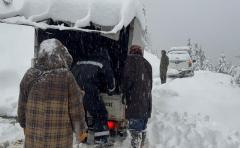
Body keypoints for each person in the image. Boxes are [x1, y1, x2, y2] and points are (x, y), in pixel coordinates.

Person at [17, 39, 88, 148]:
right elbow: (76, 108)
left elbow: (22, 105)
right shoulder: (67, 77)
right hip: (60, 139)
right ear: (61, 54)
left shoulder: (30, 75)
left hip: (34, 138)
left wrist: (23, 124)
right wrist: (80, 131)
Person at [71, 48, 115, 144]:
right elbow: (110, 78)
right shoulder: (103, 62)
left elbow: (71, 74)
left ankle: (82, 139)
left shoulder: (80, 61)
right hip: (89, 91)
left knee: (82, 116)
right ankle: (101, 139)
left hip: (75, 91)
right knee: (101, 114)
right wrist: (110, 91)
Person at [122, 45, 152, 148]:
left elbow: (127, 82)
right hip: (146, 105)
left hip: (134, 105)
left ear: (131, 52)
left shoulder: (130, 61)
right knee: (142, 130)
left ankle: (136, 144)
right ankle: (141, 144)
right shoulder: (148, 64)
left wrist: (124, 93)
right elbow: (150, 86)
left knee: (134, 134)